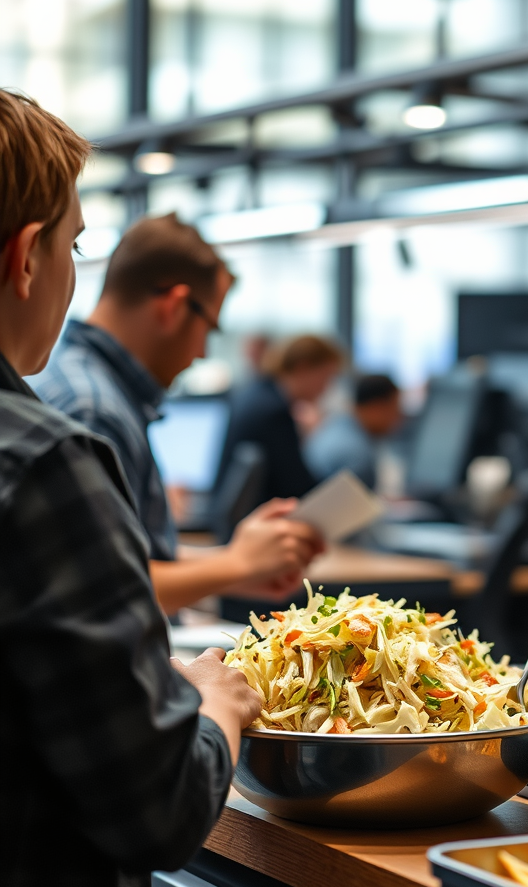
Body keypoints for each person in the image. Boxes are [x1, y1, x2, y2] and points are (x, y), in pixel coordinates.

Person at [0, 88, 261, 887]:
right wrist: (212, 702)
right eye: (74, 244)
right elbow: (159, 811)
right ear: (27, 256)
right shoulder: (45, 465)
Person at [33, 213, 324, 615]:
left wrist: (240, 565)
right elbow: (106, 589)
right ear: (173, 306)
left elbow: (132, 556)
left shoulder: (94, 388)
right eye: (209, 327)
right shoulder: (94, 408)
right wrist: (235, 563)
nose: (203, 351)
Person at [217, 334, 344, 511]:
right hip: (259, 520)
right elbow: (297, 487)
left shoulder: (256, 393)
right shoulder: (274, 412)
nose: (326, 388)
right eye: (326, 377)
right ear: (303, 367)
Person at [304, 373, 403, 487]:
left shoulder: (335, 426)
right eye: (396, 408)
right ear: (376, 408)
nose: (399, 417)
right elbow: (358, 504)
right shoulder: (356, 454)